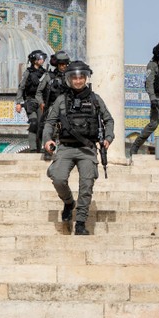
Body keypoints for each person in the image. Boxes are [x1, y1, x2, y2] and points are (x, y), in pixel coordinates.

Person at [42, 60, 114, 236]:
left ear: (86, 78)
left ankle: (81, 222)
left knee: (86, 184)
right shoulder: (61, 100)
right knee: (58, 178)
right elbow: (50, 122)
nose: (78, 80)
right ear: (69, 79)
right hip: (66, 147)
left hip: (87, 149)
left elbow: (109, 120)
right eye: (74, 77)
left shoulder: (95, 99)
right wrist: (47, 140)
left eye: (81, 77)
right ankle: (68, 202)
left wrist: (108, 138)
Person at [35, 50, 70, 161]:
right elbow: (38, 92)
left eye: (65, 64)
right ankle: (48, 150)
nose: (63, 67)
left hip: (68, 107)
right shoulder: (49, 76)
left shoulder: (71, 77)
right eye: (61, 64)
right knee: (49, 128)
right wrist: (41, 102)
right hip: (53, 106)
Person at [15, 50, 47, 153]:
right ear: (35, 60)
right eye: (40, 58)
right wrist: (19, 103)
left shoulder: (44, 73)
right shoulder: (28, 72)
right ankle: (33, 148)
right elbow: (21, 87)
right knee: (33, 123)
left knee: (40, 125)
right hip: (30, 100)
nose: (42, 60)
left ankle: (39, 147)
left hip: (41, 101)